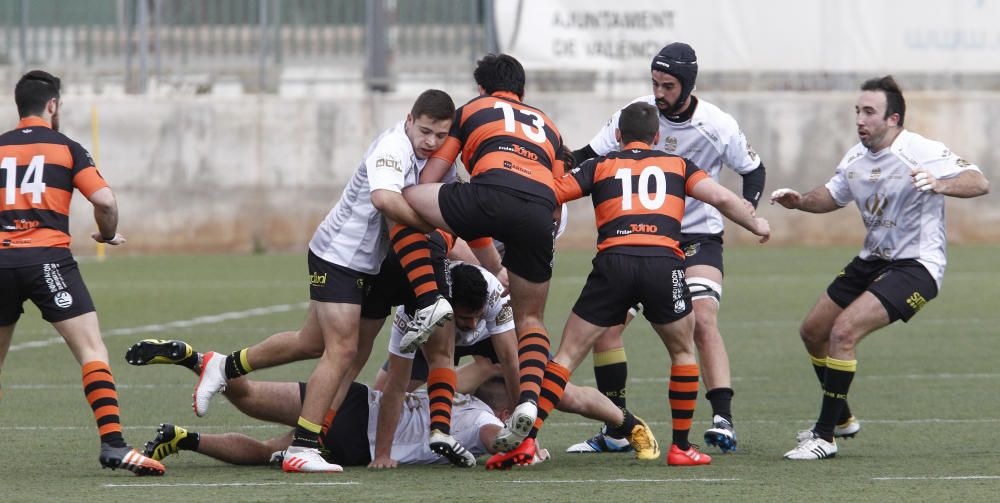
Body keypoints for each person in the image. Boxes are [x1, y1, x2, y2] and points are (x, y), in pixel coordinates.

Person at [179, 90, 462, 473]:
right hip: (339, 256)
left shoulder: (431, 157)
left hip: (362, 263)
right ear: (409, 120)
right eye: (425, 131)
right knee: (343, 351)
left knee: (310, 343)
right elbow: (383, 199)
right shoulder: (393, 148)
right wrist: (433, 223)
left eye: (440, 136)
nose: (431, 142)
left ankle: (223, 366)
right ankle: (304, 446)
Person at [490, 102, 769, 470]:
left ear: (617, 137)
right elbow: (720, 198)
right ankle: (681, 447)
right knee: (683, 352)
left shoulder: (600, 166)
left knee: (566, 356)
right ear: (658, 138)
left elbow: (551, 194)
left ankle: (527, 443)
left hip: (613, 266)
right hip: (663, 265)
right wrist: (756, 223)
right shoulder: (678, 165)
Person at [771, 75, 989, 460]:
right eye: (858, 111)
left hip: (917, 266)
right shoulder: (856, 157)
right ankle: (841, 418)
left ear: (894, 119)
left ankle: (824, 436)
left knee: (843, 332)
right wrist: (800, 200)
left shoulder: (919, 149)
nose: (860, 119)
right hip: (872, 260)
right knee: (813, 331)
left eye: (869, 112)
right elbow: (832, 195)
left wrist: (939, 184)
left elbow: (978, 181)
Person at [569, 42, 766, 454]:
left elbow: (753, 170)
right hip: (642, 240)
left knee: (703, 319)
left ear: (688, 85)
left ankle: (723, 420)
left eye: (668, 85)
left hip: (696, 239)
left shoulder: (717, 124)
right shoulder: (637, 114)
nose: (658, 93)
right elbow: (588, 156)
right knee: (606, 333)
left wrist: (751, 214)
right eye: (655, 83)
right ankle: (617, 429)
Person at [397, 54, 568, 452]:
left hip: (489, 194)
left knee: (404, 197)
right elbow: (557, 202)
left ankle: (427, 291)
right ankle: (527, 401)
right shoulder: (551, 127)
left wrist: (444, 217)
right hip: (539, 213)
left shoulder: (472, 109)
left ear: (481, 89)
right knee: (531, 318)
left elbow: (432, 174)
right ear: (522, 92)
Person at [0, 70, 164, 475]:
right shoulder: (66, 147)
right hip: (48, 262)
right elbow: (105, 202)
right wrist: (106, 235)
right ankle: (113, 445)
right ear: (52, 105)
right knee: (91, 351)